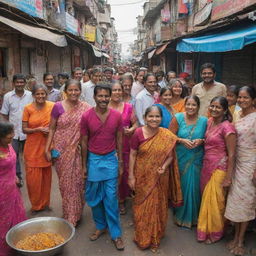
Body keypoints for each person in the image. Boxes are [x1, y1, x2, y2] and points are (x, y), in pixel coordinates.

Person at [128, 105, 182, 252]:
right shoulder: (138, 133)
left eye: (157, 116)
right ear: (145, 118)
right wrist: (131, 176)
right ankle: (143, 236)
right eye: (150, 116)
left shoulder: (166, 135)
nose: (154, 119)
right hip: (142, 176)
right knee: (141, 206)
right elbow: (132, 154)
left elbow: (170, 157)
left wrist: (164, 167)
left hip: (159, 178)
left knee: (158, 206)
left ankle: (155, 236)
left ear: (161, 118)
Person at [81, 83, 124, 250]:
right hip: (93, 160)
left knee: (111, 198)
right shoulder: (86, 117)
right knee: (94, 198)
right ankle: (100, 226)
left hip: (111, 160)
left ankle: (116, 234)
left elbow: (120, 140)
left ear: (110, 96)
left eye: (107, 96)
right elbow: (83, 142)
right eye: (100, 96)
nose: (104, 99)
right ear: (94, 97)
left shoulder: (116, 116)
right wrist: (84, 165)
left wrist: (120, 162)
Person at [45, 79, 91, 226]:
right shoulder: (58, 107)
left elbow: (91, 128)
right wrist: (48, 148)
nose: (73, 93)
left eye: (76, 90)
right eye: (70, 90)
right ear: (65, 91)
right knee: (65, 184)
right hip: (60, 150)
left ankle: (75, 213)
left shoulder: (86, 108)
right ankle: (69, 213)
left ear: (80, 91)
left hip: (78, 150)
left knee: (78, 182)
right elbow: (52, 128)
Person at [197, 96, 236, 244]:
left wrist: (228, 177)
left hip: (220, 168)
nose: (214, 109)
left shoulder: (228, 127)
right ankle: (204, 230)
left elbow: (232, 154)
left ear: (225, 110)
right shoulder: (209, 122)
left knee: (216, 202)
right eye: (212, 106)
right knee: (206, 200)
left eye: (218, 107)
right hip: (206, 164)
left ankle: (215, 233)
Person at [225, 86, 256, 256]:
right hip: (236, 162)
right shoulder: (237, 114)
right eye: (240, 98)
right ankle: (235, 235)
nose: (242, 100)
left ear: (253, 100)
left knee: (245, 202)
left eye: (246, 98)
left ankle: (241, 240)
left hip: (250, 164)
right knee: (235, 200)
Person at [169, 96, 207, 228]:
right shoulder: (178, 118)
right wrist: (181, 140)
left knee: (195, 188)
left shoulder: (204, 121)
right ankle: (180, 215)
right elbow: (169, 136)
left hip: (197, 159)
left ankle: (194, 218)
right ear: (185, 105)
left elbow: (210, 139)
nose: (191, 107)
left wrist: (201, 141)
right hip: (181, 158)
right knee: (183, 186)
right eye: (188, 105)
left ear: (198, 106)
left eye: (194, 105)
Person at [22, 84, 54, 213]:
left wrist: (51, 131)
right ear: (33, 95)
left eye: (43, 94)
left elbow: (57, 124)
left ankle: (45, 204)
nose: (41, 96)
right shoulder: (28, 108)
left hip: (47, 146)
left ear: (47, 94)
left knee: (46, 178)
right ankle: (36, 206)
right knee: (33, 180)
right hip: (32, 149)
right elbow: (24, 129)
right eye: (38, 94)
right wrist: (37, 129)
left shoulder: (52, 106)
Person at [109, 81, 137, 215]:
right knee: (111, 174)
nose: (117, 93)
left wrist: (131, 129)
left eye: (119, 90)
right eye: (114, 90)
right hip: (108, 145)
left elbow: (136, 123)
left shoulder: (128, 107)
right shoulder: (104, 106)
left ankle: (121, 201)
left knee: (123, 173)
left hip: (125, 144)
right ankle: (110, 201)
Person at [0, 74, 33, 187]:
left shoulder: (30, 95)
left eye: (21, 82)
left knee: (29, 155)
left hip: (29, 131)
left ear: (25, 83)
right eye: (17, 82)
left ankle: (32, 176)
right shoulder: (8, 96)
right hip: (13, 133)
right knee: (14, 156)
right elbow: (4, 113)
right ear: (13, 83)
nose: (19, 84)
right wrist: (10, 127)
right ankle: (17, 176)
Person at [0, 121, 26, 256]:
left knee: (16, 215)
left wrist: (16, 176)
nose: (12, 136)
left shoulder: (9, 146)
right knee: (3, 220)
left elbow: (13, 164)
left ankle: (17, 243)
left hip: (13, 189)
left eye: (12, 133)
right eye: (8, 135)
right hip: (2, 193)